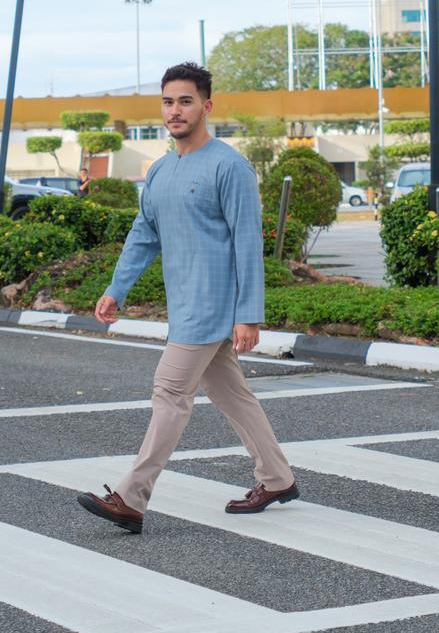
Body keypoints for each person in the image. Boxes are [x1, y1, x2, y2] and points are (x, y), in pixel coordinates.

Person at [77, 61, 298, 534]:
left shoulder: (229, 166)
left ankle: (131, 497)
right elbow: (143, 234)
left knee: (170, 392)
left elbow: (247, 243)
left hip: (213, 305)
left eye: (185, 101)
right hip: (184, 304)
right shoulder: (160, 171)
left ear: (206, 106)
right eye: (168, 102)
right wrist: (116, 288)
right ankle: (277, 478)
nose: (174, 111)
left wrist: (249, 315)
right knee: (232, 395)